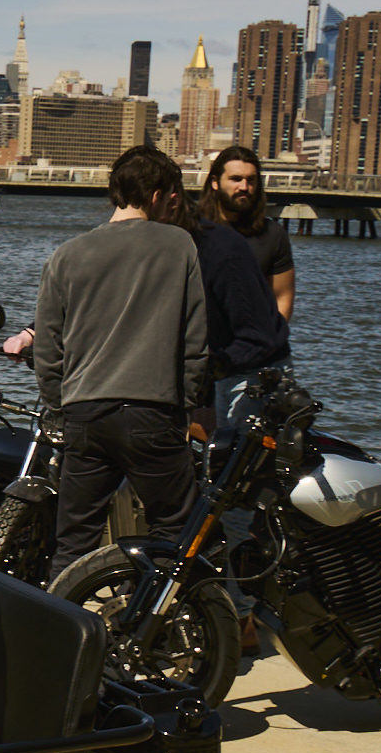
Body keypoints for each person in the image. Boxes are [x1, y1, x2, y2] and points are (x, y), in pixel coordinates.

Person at [32, 145, 212, 570]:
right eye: (171, 197)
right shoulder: (179, 245)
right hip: (152, 411)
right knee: (173, 532)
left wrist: (61, 404)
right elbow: (195, 340)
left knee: (73, 543)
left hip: (85, 413)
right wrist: (184, 408)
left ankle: (59, 626)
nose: (174, 206)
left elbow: (47, 347)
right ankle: (153, 626)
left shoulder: (67, 254)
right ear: (154, 194)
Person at [155, 174, 288, 443]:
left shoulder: (222, 252)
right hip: (215, 366)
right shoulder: (167, 247)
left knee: (238, 469)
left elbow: (258, 337)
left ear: (171, 203)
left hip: (252, 372)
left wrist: (205, 370)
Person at [205, 145, 297, 325]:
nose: (244, 187)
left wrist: (271, 341)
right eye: (236, 179)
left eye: (251, 180)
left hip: (252, 345)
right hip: (200, 345)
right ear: (215, 182)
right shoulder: (193, 229)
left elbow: (282, 296)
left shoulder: (273, 234)